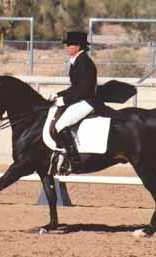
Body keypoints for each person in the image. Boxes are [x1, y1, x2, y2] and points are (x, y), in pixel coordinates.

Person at [48, 31, 102, 173]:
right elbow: (75, 87)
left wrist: (64, 100)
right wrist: (58, 95)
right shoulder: (77, 61)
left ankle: (74, 161)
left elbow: (84, 90)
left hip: (87, 101)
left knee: (60, 125)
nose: (67, 47)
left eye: (70, 44)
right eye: (67, 44)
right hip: (81, 99)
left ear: (78, 46)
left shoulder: (84, 62)